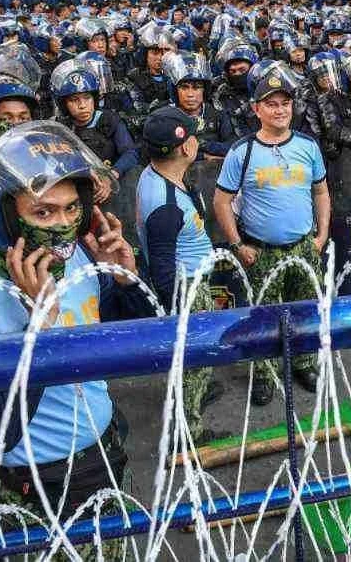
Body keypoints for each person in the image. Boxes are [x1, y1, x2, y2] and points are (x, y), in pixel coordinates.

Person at [0, 121, 151, 526]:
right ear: (5, 219)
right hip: (39, 485)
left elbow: (139, 352)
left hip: (105, 450)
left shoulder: (81, 262)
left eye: (71, 208)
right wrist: (38, 329)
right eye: (43, 211)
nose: (62, 224)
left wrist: (125, 281)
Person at [213, 71, 327, 405]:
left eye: (284, 104)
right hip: (261, 252)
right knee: (263, 319)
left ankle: (304, 364)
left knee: (305, 312)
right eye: (271, 105)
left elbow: (321, 192)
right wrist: (237, 244)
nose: (279, 110)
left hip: (303, 248)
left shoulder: (307, 146)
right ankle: (264, 375)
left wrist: (320, 237)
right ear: (256, 109)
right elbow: (221, 201)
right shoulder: (242, 152)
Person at [136, 107, 219, 439]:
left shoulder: (154, 174)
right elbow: (163, 266)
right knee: (196, 356)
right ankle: (190, 429)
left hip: (191, 280)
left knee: (194, 359)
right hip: (188, 289)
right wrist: (180, 311)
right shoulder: (166, 204)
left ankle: (194, 390)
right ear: (186, 147)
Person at [51, 58, 138, 186]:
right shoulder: (61, 129)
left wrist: (112, 175)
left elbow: (131, 154)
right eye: (74, 100)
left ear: (95, 99)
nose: (82, 105)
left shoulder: (110, 120)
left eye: (87, 98)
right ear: (63, 104)